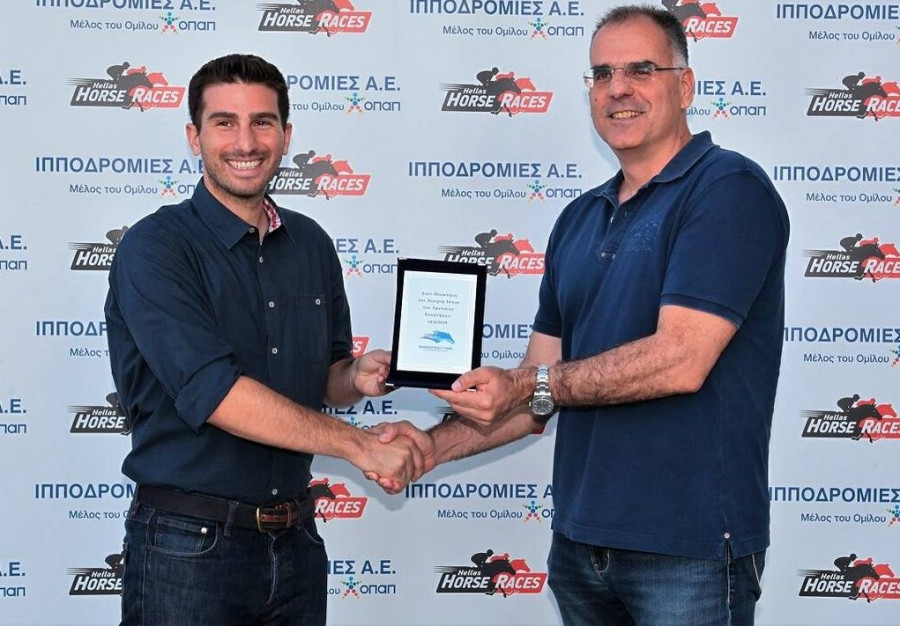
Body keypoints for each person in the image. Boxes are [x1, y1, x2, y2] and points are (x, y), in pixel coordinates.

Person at [378, 6, 788, 625]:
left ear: (684, 85)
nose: (617, 88)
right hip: (580, 546)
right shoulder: (578, 218)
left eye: (640, 70)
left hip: (690, 547)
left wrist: (526, 385)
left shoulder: (727, 188)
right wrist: (429, 447)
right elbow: (539, 392)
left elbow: (680, 360)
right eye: (601, 74)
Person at [105, 54, 434, 626]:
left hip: (296, 541)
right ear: (194, 137)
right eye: (224, 122)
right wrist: (359, 446)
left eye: (262, 122)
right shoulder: (155, 248)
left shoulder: (311, 243)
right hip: (188, 547)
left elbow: (327, 376)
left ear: (286, 135)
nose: (246, 142)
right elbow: (215, 393)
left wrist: (355, 376)